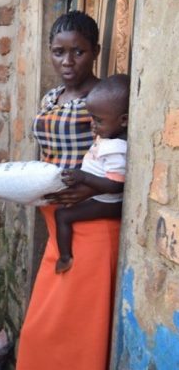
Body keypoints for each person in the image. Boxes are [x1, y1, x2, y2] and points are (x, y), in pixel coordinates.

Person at [16, 11, 123, 370]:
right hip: (57, 223)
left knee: (75, 325)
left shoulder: (107, 99)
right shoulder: (52, 97)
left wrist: (88, 189)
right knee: (45, 324)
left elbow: (120, 164)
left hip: (89, 222)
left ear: (96, 52)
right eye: (59, 52)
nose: (67, 61)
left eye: (78, 51)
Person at [55, 74, 129, 273]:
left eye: (98, 120)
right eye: (91, 118)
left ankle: (65, 258)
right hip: (98, 195)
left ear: (123, 120)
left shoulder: (117, 148)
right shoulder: (108, 137)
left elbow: (116, 185)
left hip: (107, 202)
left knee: (62, 215)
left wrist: (84, 178)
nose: (92, 125)